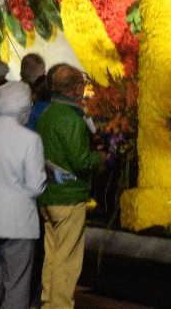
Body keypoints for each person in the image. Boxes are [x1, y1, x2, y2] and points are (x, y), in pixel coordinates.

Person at [35, 64, 102, 309]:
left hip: (48, 196)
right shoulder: (71, 119)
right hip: (68, 198)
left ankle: (48, 302)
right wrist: (102, 157)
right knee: (68, 259)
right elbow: (81, 162)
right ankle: (61, 305)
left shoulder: (46, 114)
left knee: (52, 256)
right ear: (75, 89)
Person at [0, 81, 46, 309]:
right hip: (18, 222)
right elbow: (36, 186)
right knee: (16, 286)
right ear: (25, 107)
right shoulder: (30, 140)